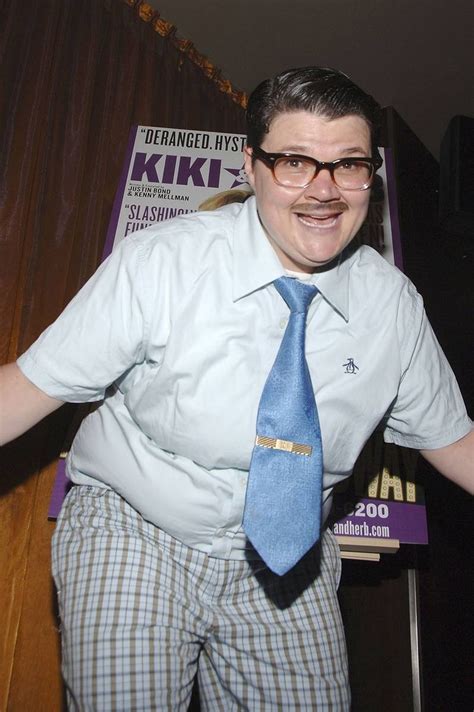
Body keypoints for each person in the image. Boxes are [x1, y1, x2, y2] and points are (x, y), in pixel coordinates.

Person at [1, 66, 472, 710]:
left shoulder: (392, 306)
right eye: (296, 163)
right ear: (250, 167)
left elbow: (453, 441)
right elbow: (27, 388)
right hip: (135, 527)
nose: (325, 191)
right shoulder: (162, 262)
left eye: (349, 165)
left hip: (291, 559)